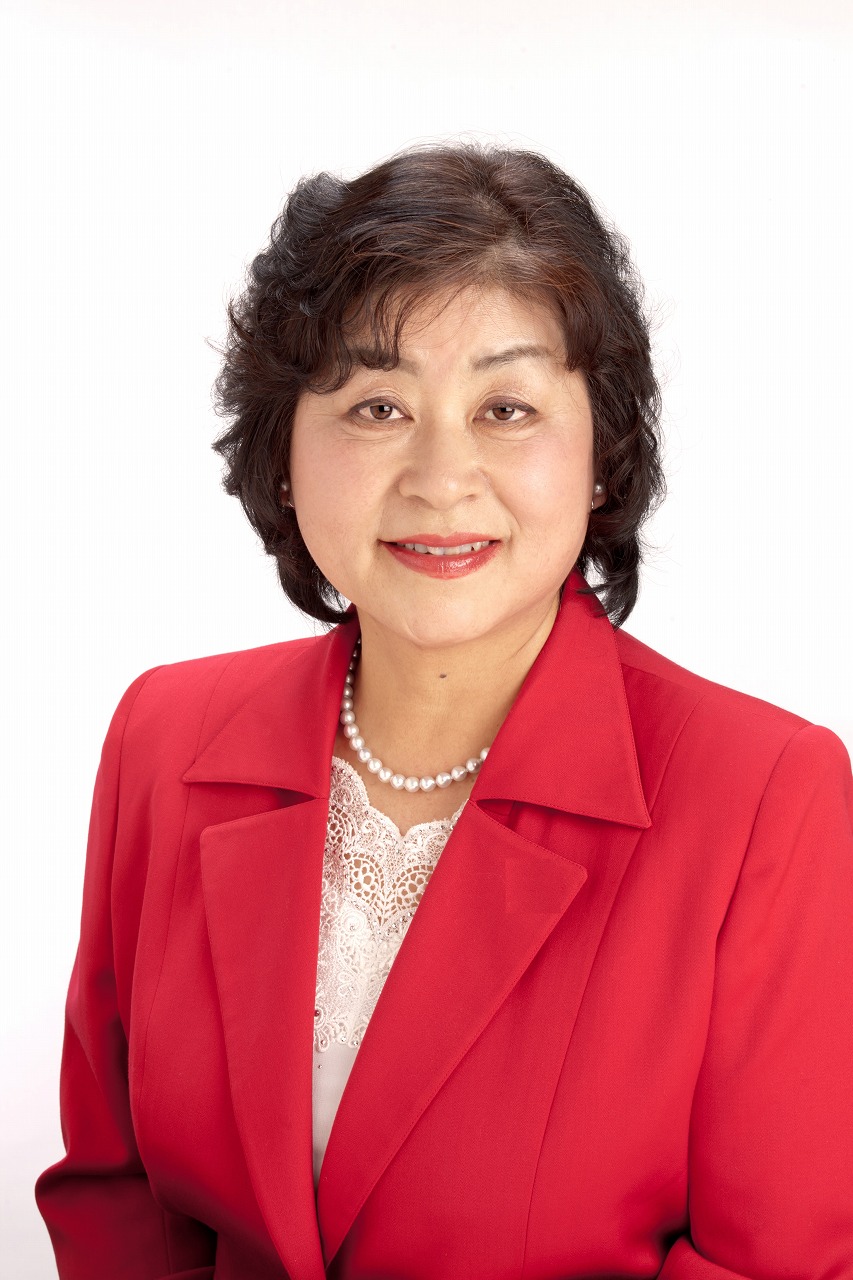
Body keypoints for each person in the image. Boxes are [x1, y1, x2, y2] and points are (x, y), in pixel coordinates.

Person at [35, 141, 853, 1279]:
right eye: (376, 406)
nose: (440, 476)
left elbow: (770, 1263)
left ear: (601, 454)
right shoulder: (163, 736)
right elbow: (117, 1193)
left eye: (506, 408)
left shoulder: (765, 796)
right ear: (284, 454)